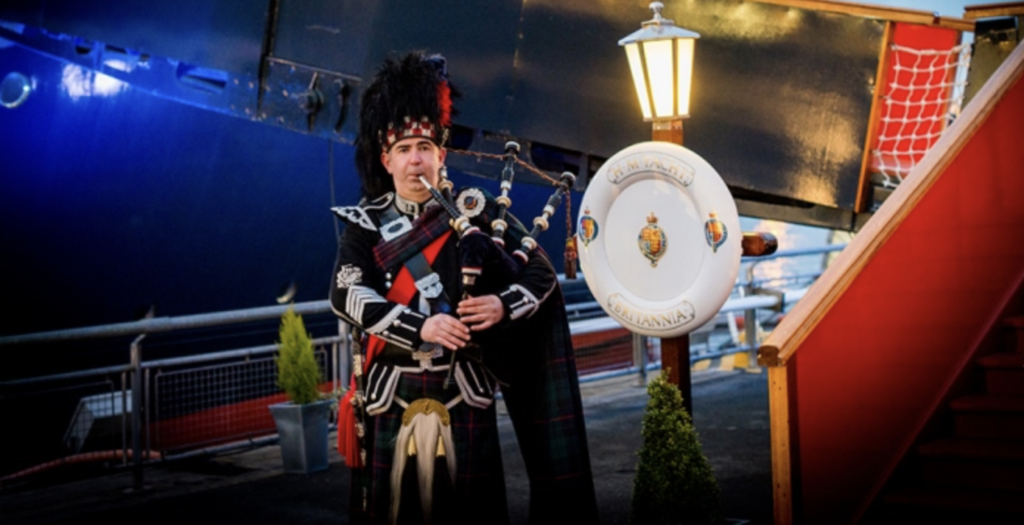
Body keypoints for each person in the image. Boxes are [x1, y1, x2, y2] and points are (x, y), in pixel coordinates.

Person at [330, 51, 598, 525]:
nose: (417, 160)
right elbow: (347, 294)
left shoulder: (477, 212)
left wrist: (501, 304)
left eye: (426, 148)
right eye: (406, 149)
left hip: (464, 394)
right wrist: (423, 326)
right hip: (391, 393)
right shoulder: (364, 226)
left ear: (442, 155)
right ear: (386, 158)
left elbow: (540, 274)